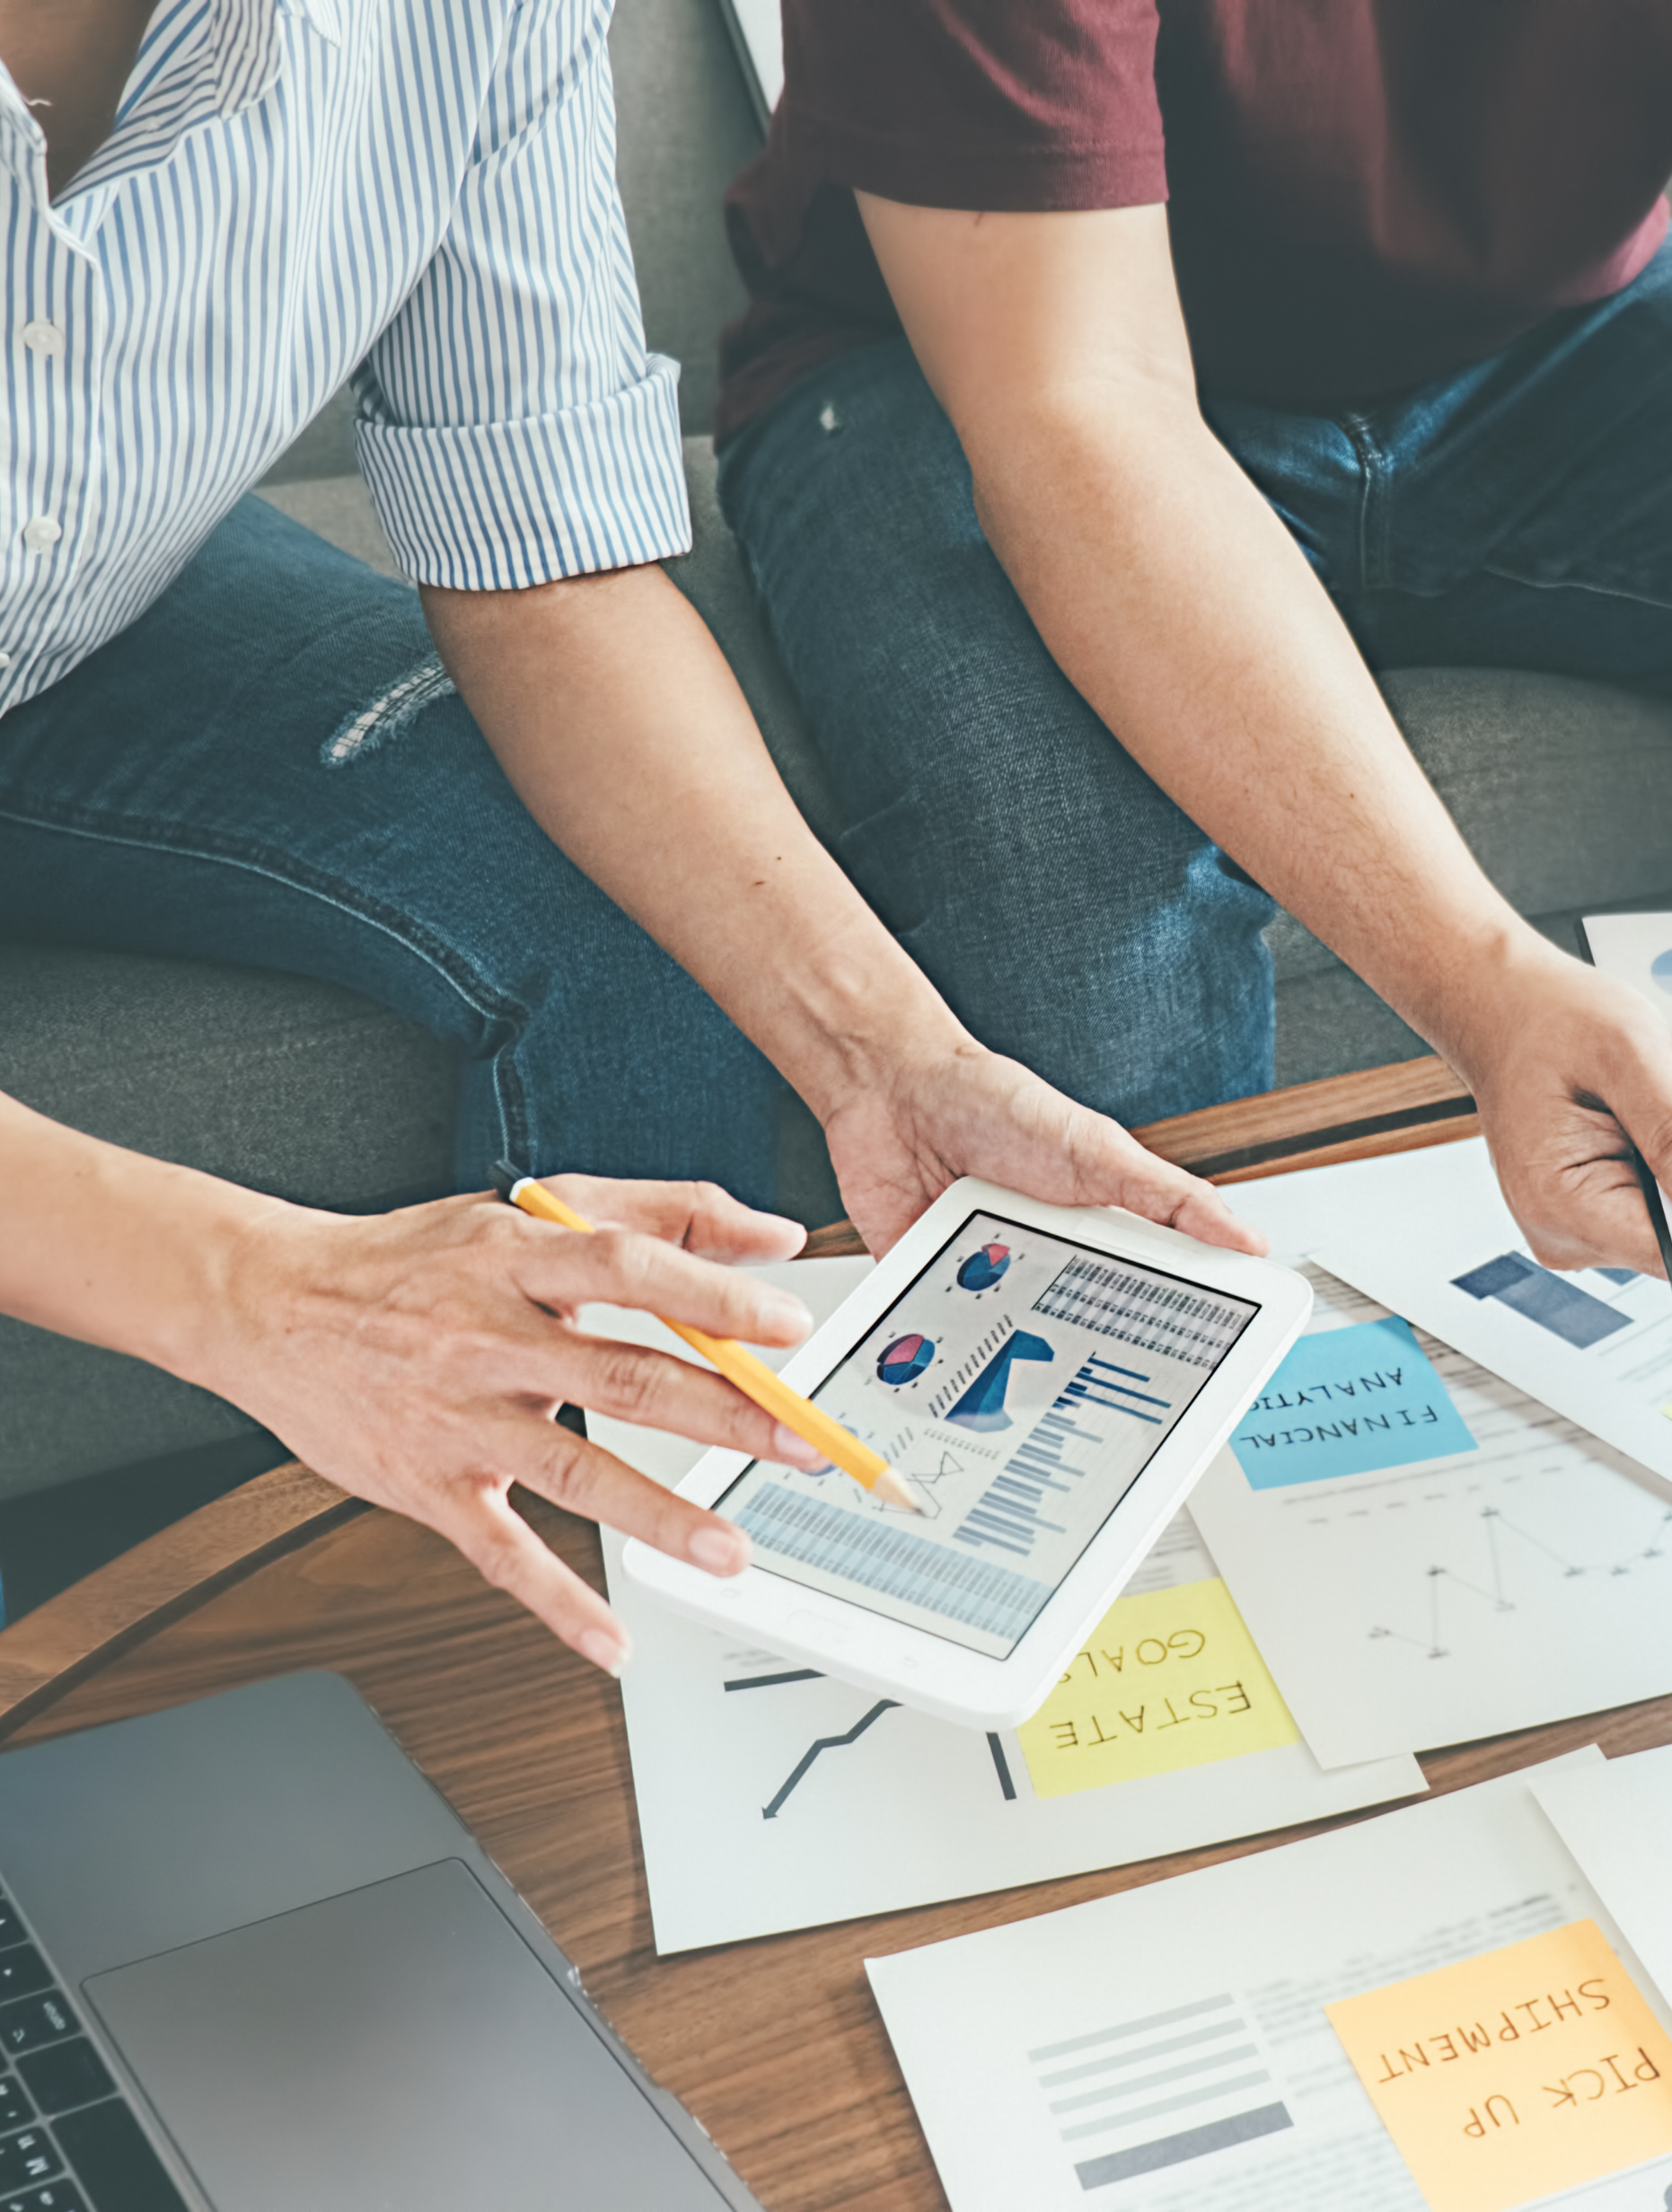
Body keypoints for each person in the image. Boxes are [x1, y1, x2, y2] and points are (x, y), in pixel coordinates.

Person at [0, 0, 1254, 1671]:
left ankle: (662, 1694)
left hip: (85, 602)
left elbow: (549, 559)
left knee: (655, 925)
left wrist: (880, 1049)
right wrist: (267, 1291)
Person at [713, 0, 1672, 1274]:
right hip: (968, 363)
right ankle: (1200, 1487)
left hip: (1538, 342)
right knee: (1072, 880)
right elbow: (1085, 408)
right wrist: (1481, 986)